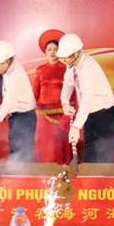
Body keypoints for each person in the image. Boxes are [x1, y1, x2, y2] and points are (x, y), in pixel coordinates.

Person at [58, 33, 114, 163]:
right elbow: (68, 84)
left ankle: (107, 183)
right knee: (90, 155)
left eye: (67, 58)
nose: (65, 61)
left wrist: (75, 127)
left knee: (104, 157)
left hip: (105, 114)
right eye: (63, 59)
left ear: (76, 54)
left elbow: (87, 100)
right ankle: (88, 181)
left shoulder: (89, 68)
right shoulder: (71, 65)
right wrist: (65, 103)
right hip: (89, 114)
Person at [33, 29, 76, 163]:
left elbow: (73, 92)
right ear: (45, 51)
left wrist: (71, 111)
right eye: (49, 49)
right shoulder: (40, 70)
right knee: (45, 144)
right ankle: (44, 170)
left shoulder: (67, 68)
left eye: (55, 49)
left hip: (61, 113)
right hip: (43, 114)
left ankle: (62, 171)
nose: (52, 52)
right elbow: (35, 92)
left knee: (60, 144)